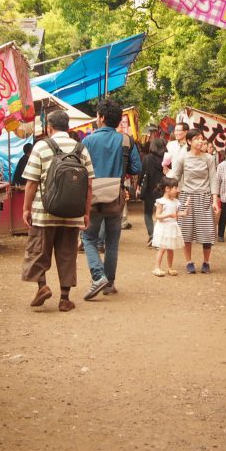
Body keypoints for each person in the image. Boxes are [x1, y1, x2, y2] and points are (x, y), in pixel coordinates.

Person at [20, 110, 94, 312]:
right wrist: (86, 213)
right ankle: (64, 299)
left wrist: (27, 209)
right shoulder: (81, 148)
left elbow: (32, 183)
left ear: (49, 127)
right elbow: (88, 186)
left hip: (44, 212)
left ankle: (42, 286)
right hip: (72, 214)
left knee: (38, 251)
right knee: (68, 254)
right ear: (68, 127)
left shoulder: (41, 147)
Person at [80, 98, 142, 300]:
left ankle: (98, 276)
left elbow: (81, 171)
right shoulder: (126, 140)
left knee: (88, 238)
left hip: (93, 196)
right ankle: (109, 284)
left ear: (102, 117)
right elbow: (136, 168)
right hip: (116, 196)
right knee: (112, 242)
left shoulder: (87, 141)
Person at [173, 129, 221, 273]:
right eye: (196, 139)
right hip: (187, 198)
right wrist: (172, 200)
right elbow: (175, 177)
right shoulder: (182, 158)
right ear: (189, 141)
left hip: (205, 197)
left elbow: (213, 179)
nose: (201, 141)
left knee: (207, 232)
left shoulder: (209, 158)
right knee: (186, 232)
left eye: (202, 138)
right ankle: (189, 262)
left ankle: (206, 262)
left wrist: (214, 200)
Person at [151, 177, 185, 277]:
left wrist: (184, 213)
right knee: (163, 248)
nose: (177, 190)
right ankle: (157, 268)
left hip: (172, 227)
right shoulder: (161, 201)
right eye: (175, 187)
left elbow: (176, 214)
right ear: (167, 189)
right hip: (163, 228)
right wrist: (169, 215)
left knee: (171, 248)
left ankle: (170, 267)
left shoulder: (176, 201)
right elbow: (158, 216)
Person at [137, 138, 166, 247]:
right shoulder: (167, 158)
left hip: (150, 188)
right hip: (164, 189)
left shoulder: (147, 158)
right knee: (162, 214)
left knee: (148, 213)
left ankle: (152, 235)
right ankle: (161, 237)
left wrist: (139, 185)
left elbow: (142, 173)